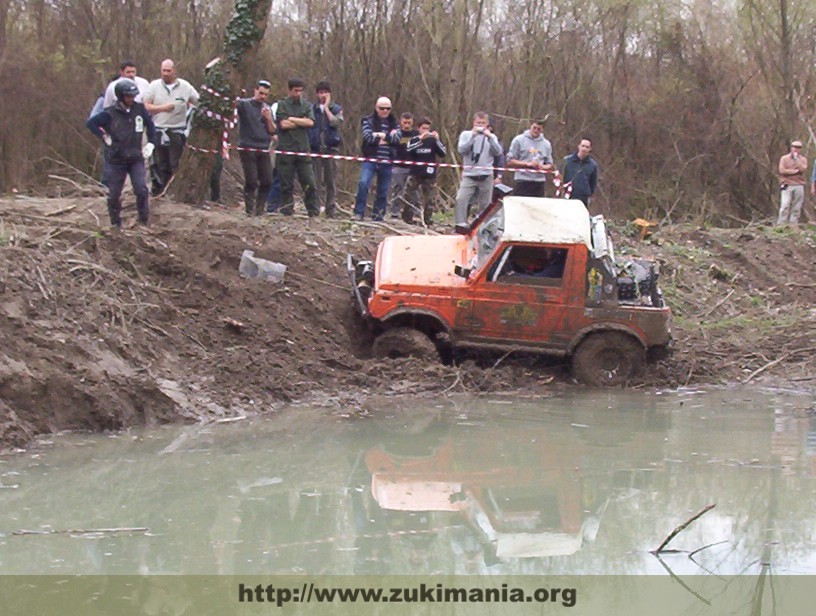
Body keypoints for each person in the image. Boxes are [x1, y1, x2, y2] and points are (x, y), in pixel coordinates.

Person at [86, 80, 156, 228]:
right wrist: (104, 136)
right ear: (121, 96)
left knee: (141, 188)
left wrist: (151, 143)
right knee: (114, 193)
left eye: (133, 96)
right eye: (128, 96)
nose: (131, 99)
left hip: (135, 157)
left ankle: (143, 220)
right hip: (117, 159)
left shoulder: (140, 109)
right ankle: (115, 223)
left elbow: (151, 126)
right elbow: (91, 123)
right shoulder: (110, 113)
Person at [144, 59, 200, 194]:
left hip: (177, 131)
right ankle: (160, 191)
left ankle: (174, 192)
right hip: (158, 130)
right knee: (159, 164)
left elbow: (199, 102)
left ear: (174, 71)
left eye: (168, 71)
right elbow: (147, 106)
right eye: (163, 70)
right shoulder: (154, 86)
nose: (166, 74)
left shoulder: (185, 87)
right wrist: (162, 108)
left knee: (176, 163)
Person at [275, 78, 319, 217]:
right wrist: (301, 121)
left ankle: (313, 211)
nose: (298, 93)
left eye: (300, 91)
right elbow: (283, 124)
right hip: (286, 148)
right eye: (295, 91)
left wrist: (293, 119)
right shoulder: (282, 104)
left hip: (302, 148)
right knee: (286, 183)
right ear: (289, 90)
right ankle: (287, 210)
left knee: (309, 182)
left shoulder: (306, 105)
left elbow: (310, 122)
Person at [354, 96, 400, 221]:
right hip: (371, 159)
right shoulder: (368, 120)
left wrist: (381, 136)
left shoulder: (394, 122)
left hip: (387, 160)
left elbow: (397, 140)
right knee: (363, 184)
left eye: (388, 109)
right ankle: (358, 213)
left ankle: (378, 216)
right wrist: (387, 137)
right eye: (382, 108)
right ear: (376, 108)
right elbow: (368, 137)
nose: (385, 111)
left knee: (383, 190)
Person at [236, 79, 277, 217]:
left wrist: (268, 118)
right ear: (255, 91)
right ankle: (249, 210)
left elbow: (272, 131)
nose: (263, 97)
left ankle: (259, 210)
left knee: (267, 180)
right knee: (252, 180)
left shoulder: (267, 108)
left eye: (266, 94)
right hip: (247, 147)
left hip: (263, 147)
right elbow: (233, 106)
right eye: (261, 93)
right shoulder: (244, 104)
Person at [454, 111, 503, 225]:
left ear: (487, 124)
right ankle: (460, 223)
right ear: (473, 123)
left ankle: (482, 226)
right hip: (469, 175)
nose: (480, 125)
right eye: (478, 123)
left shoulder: (492, 137)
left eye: (483, 123)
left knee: (485, 205)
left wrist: (489, 137)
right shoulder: (466, 134)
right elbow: (461, 150)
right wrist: (473, 137)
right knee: (461, 199)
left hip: (486, 175)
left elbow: (498, 152)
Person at [308, 81, 343, 218]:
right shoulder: (311, 109)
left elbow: (336, 123)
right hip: (315, 148)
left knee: (331, 181)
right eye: (320, 92)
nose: (322, 95)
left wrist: (327, 108)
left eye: (325, 92)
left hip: (331, 149)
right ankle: (314, 208)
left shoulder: (336, 109)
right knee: (314, 181)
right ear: (317, 94)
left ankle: (331, 210)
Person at [402, 118, 446, 225]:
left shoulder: (432, 140)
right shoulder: (414, 139)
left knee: (430, 198)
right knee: (408, 195)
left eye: (427, 128)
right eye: (423, 128)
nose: (425, 130)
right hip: (415, 172)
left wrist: (437, 140)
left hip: (429, 174)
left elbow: (443, 153)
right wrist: (420, 139)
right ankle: (407, 218)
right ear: (419, 129)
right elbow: (408, 150)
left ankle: (428, 219)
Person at [506, 119, 554, 197]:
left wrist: (542, 167)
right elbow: (509, 161)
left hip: (539, 182)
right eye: (534, 128)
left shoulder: (546, 144)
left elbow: (550, 164)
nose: (536, 131)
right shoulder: (518, 140)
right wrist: (528, 164)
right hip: (522, 180)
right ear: (530, 126)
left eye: (539, 129)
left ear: (542, 130)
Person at [388, 112, 418, 218]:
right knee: (397, 189)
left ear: (412, 122)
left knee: (414, 191)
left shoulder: (416, 134)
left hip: (413, 166)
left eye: (409, 122)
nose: (407, 125)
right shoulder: (397, 134)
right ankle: (394, 211)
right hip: (398, 165)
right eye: (405, 122)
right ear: (401, 122)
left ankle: (415, 211)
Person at [561, 137, 599, 207]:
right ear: (578, 146)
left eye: (587, 147)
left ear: (590, 149)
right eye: (583, 146)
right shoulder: (567, 161)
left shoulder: (593, 165)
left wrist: (590, 195)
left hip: (583, 199)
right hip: (568, 196)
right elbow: (561, 177)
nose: (584, 149)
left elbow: (593, 183)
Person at [777, 140, 808, 226]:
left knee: (797, 206)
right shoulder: (784, 158)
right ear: (791, 147)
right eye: (794, 147)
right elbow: (782, 171)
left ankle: (793, 225)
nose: (796, 149)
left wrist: (797, 161)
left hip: (799, 184)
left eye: (798, 148)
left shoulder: (803, 159)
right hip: (787, 184)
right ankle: (781, 225)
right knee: (785, 205)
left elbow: (803, 169)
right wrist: (795, 171)